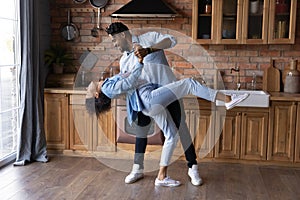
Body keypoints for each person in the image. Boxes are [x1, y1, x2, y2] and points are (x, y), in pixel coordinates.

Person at [86, 52, 249, 187]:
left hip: (154, 96)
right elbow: (129, 82)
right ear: (96, 95)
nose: (87, 88)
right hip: (150, 98)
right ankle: (227, 99)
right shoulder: (108, 87)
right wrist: (140, 63)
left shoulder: (109, 80)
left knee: (173, 133)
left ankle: (163, 175)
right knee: (189, 83)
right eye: (88, 92)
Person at [105, 22, 204, 187]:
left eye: (114, 40)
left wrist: (149, 50)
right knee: (141, 131)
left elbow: (171, 40)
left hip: (169, 90)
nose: (114, 44)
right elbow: (128, 81)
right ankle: (137, 168)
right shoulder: (124, 61)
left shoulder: (148, 38)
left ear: (122, 35)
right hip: (146, 99)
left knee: (181, 128)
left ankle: (192, 167)